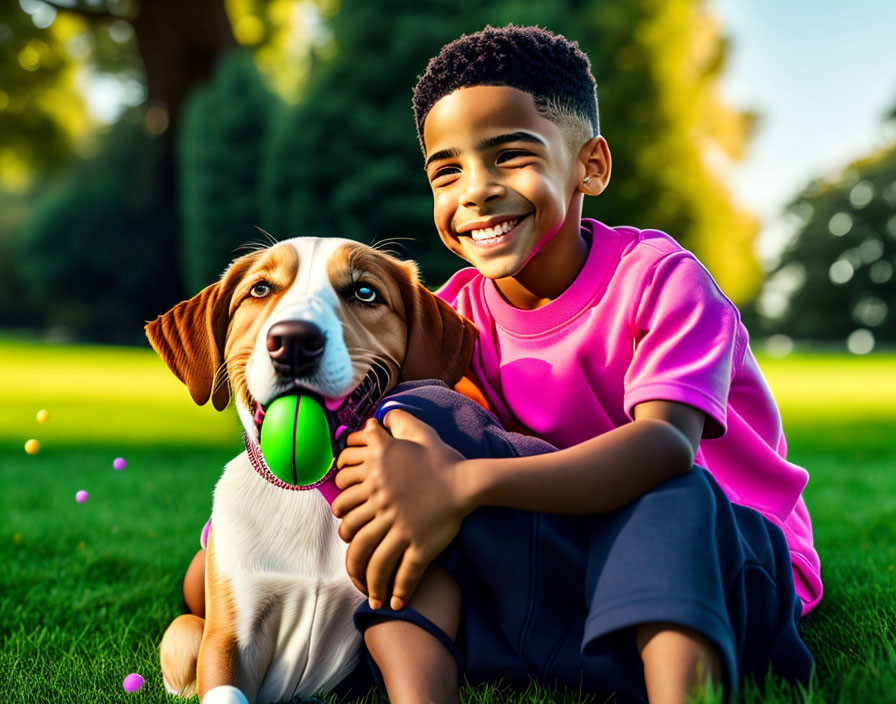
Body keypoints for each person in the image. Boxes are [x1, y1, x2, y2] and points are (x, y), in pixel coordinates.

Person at [331, 25, 820, 704]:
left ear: (589, 165)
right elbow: (381, 458)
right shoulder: (450, 316)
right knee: (412, 415)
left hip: (712, 562)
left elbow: (664, 446)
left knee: (669, 490)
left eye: (508, 155)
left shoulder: (659, 278)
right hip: (566, 566)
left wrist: (463, 485)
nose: (475, 191)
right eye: (448, 170)